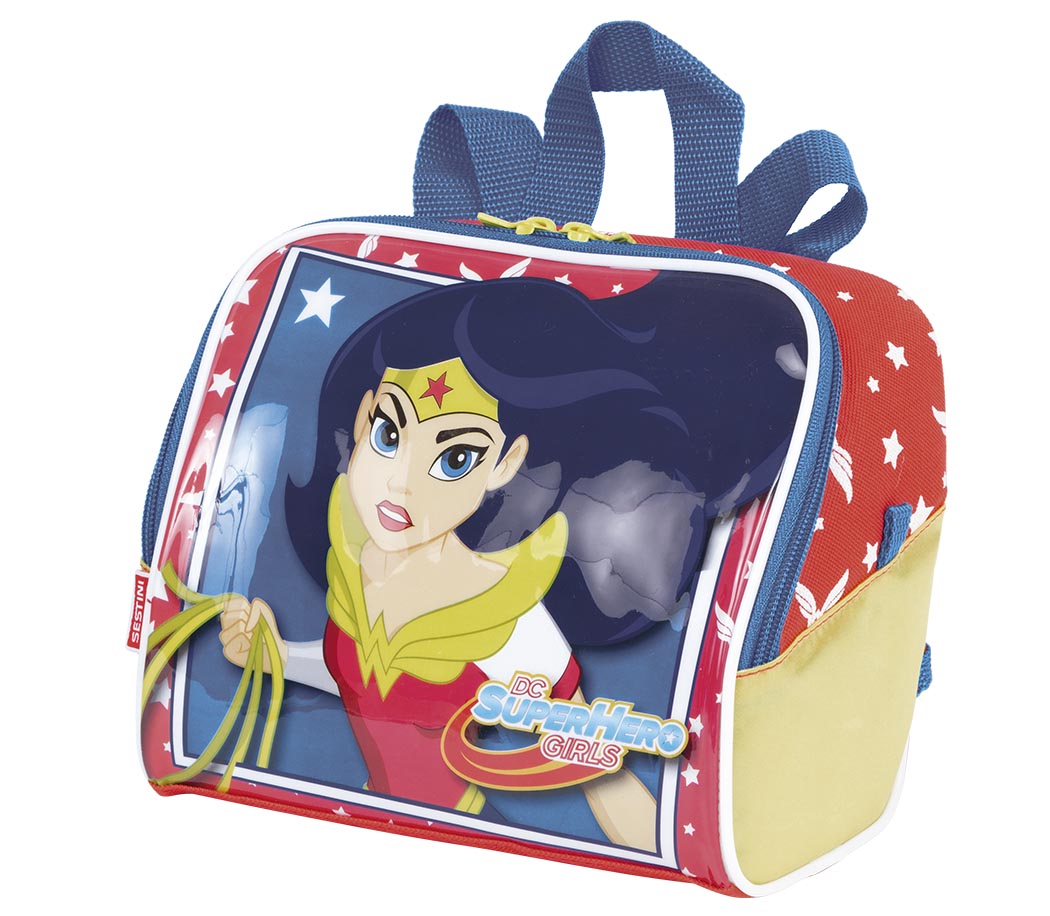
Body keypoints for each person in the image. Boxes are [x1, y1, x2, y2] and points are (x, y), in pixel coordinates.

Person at [216, 275, 804, 850]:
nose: (400, 483)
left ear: (506, 463)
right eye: (390, 434)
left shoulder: (507, 615)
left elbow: (596, 766)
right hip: (359, 823)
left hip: (466, 845)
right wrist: (273, 655)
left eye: (455, 459)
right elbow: (360, 677)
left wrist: (684, 847)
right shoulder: (357, 553)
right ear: (364, 412)